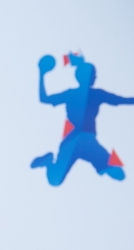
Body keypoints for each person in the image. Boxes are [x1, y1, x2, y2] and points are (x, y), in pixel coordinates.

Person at [30, 53, 133, 186]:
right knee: (54, 181)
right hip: (80, 141)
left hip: (81, 141)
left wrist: (42, 73)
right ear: (89, 77)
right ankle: (48, 161)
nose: (96, 77)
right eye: (94, 74)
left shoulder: (85, 94)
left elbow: (44, 99)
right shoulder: (90, 94)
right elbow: (122, 100)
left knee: (54, 181)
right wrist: (41, 73)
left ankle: (49, 162)